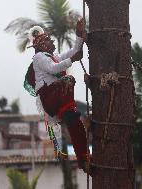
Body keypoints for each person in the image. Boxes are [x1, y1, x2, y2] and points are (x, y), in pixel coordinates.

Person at [24, 19, 90, 171]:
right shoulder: (39, 58)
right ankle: (67, 111)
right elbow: (53, 69)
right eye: (47, 40)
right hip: (50, 96)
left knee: (76, 125)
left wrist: (79, 35)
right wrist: (72, 60)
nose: (51, 41)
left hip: (56, 96)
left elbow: (74, 51)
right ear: (41, 45)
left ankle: (83, 158)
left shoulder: (52, 56)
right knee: (68, 80)